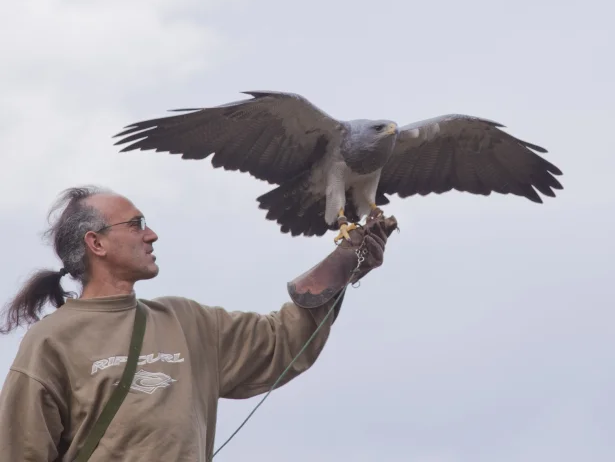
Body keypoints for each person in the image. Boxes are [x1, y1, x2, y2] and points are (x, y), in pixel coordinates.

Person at [0, 185, 392, 461]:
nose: (151, 235)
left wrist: (340, 268)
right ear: (96, 244)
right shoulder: (51, 342)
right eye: (136, 225)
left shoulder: (186, 322)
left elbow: (281, 341)